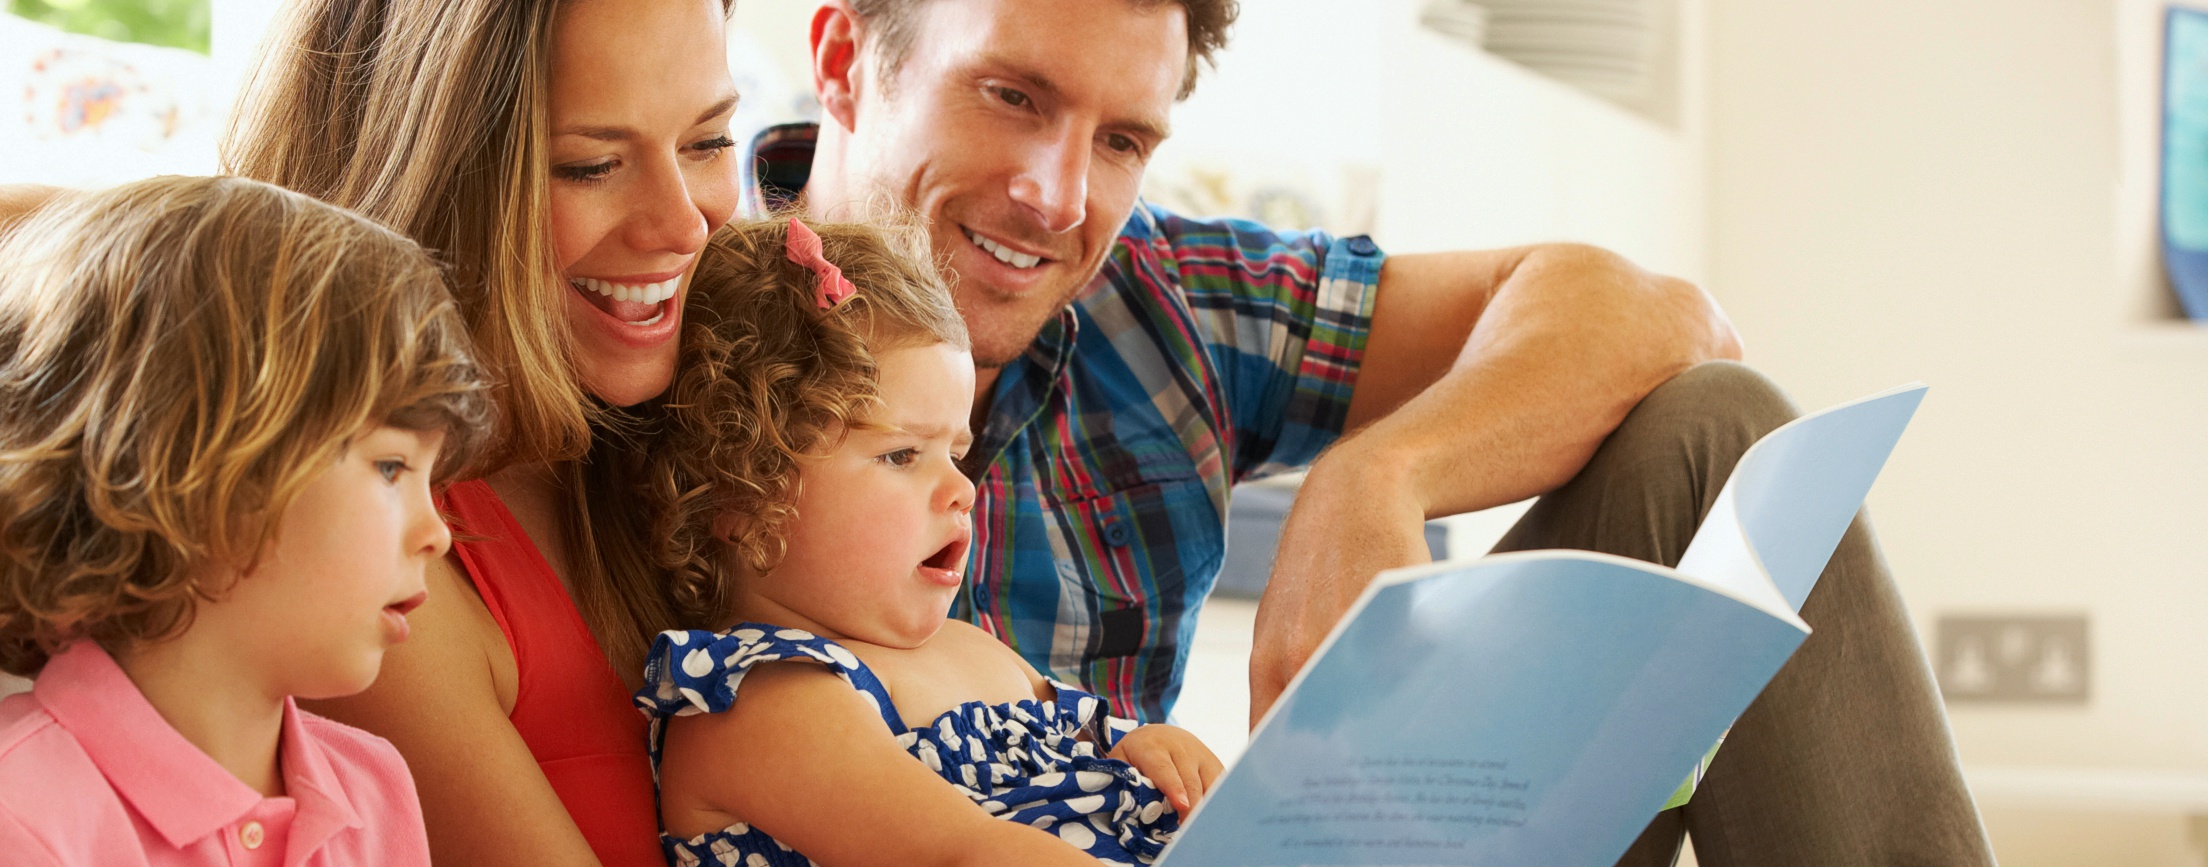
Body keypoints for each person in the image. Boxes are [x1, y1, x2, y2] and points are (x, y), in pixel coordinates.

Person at [758, 0, 1994, 863]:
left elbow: (1659, 314)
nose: (1060, 197)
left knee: (1711, 430)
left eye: (1122, 139)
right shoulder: (683, 325)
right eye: (1010, 96)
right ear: (845, 58)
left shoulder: (1158, 303)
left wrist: (1378, 475)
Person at [0, 0, 742, 862]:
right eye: (589, 164)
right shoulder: (338, 569)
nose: (685, 222)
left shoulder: (717, 384)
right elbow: (219, 249)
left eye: (710, 141)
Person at [0, 174, 492, 865]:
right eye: (391, 468)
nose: (435, 532)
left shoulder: (374, 788)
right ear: (200, 468)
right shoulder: (3, 825)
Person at [625, 215, 1222, 867]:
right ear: (739, 493)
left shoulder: (972, 649)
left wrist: (1152, 749)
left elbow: (1099, 743)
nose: (962, 490)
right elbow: (963, 854)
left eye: (958, 454)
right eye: (902, 454)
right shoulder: (754, 702)